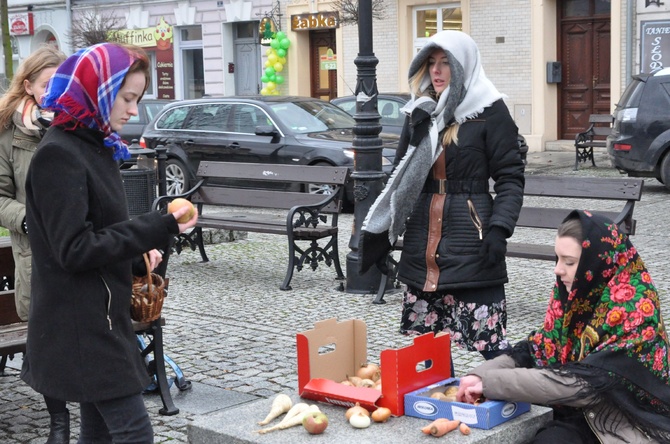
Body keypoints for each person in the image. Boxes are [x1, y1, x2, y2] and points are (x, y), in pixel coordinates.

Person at [20, 42, 198, 443]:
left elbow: (100, 231)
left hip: (99, 316)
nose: (133, 110)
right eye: (128, 97)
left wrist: (136, 256)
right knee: (135, 434)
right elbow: (74, 249)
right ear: (97, 90)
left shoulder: (93, 145)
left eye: (137, 99)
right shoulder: (60, 155)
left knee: (98, 436)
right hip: (81, 326)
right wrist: (158, 226)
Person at [359, 30, 525, 360]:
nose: (436, 71)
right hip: (424, 241)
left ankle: (510, 401)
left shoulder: (491, 112)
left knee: (489, 343)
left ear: (463, 66)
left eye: (445, 62)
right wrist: (383, 235)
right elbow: (401, 178)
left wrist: (499, 231)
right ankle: (438, 402)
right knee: (430, 348)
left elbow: (510, 178)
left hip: (472, 242)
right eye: (431, 62)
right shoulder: (420, 113)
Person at [456, 210, 670, 443]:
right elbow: (534, 350)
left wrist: (489, 384)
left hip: (620, 418)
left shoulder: (635, 308)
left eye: (569, 262)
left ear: (597, 263)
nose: (558, 270)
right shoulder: (575, 294)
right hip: (574, 407)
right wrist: (477, 375)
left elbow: (583, 386)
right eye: (557, 259)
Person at [0, 45, 69, 443]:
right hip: (35, 254)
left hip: (77, 250)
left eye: (62, 83)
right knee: (47, 341)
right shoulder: (10, 135)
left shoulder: (76, 124)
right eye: (48, 84)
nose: (56, 92)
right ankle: (59, 423)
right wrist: (26, 218)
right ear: (28, 87)